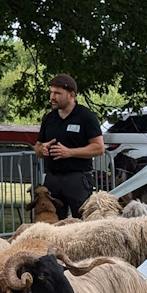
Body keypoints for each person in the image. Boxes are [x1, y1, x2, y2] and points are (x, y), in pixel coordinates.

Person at [34, 74, 105, 219]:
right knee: (51, 226)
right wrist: (41, 149)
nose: (52, 97)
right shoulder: (49, 118)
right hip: (52, 179)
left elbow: (99, 147)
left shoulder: (85, 116)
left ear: (71, 95)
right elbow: (37, 147)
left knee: (81, 224)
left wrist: (70, 152)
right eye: (51, 92)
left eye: (57, 93)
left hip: (77, 179)